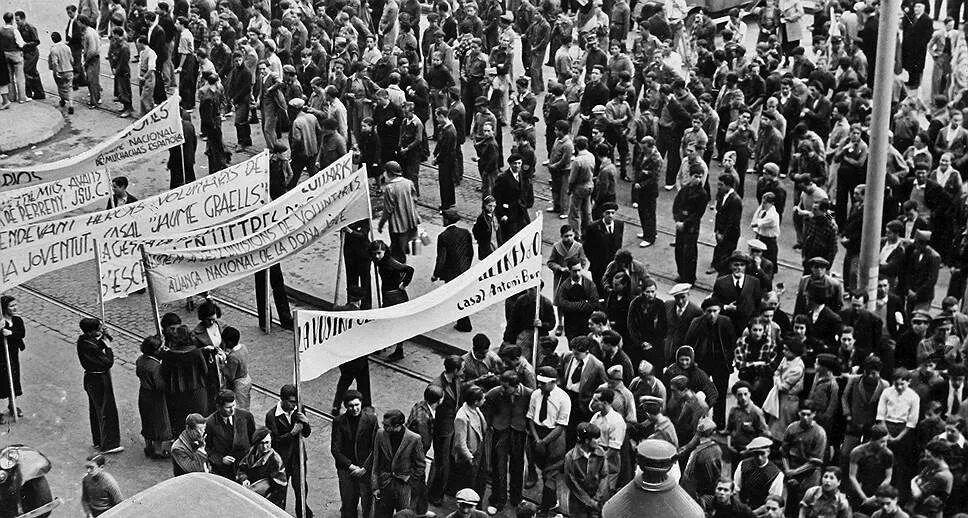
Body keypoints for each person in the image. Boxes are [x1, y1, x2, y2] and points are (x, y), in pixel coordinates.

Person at [527, 366, 571, 513]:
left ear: (554, 382)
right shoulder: (535, 394)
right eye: (539, 382)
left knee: (550, 473)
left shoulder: (564, 399)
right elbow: (531, 418)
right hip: (537, 434)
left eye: (543, 383)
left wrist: (544, 442)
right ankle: (552, 501)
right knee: (540, 467)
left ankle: (544, 508)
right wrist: (537, 439)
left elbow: (561, 426)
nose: (540, 386)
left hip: (554, 437)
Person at [77, 318, 123, 455]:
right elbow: (107, 362)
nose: (99, 331)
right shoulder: (88, 345)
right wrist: (108, 347)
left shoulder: (85, 340)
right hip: (98, 379)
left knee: (96, 410)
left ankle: (99, 439)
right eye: (97, 329)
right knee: (106, 411)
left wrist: (105, 337)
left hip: (93, 378)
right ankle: (109, 444)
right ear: (90, 331)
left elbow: (99, 345)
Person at [372, 409, 426, 518]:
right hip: (385, 483)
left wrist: (409, 478)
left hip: (404, 488)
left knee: (403, 515)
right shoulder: (380, 434)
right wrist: (375, 486)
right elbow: (376, 461)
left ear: (397, 426)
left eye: (387, 425)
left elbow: (421, 465)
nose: (384, 428)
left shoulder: (414, 439)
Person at [333, 390, 378, 518]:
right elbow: (335, 449)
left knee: (367, 505)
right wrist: (351, 466)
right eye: (351, 406)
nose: (354, 408)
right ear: (346, 406)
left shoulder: (371, 420)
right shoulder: (339, 421)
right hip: (347, 470)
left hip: (366, 470)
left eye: (357, 405)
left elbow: (375, 447)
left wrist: (364, 468)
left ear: (361, 404)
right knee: (348, 504)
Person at [370, 240, 414, 361]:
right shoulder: (380, 261)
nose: (376, 256)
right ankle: (382, 345)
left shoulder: (390, 262)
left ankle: (399, 351)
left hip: (397, 297)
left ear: (385, 251)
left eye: (379, 253)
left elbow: (409, 269)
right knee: (385, 321)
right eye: (374, 254)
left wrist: (404, 284)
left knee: (397, 324)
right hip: (388, 296)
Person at [433, 208, 474, 332]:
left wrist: (436, 274)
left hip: (451, 272)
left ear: (446, 220)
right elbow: (470, 253)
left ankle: (464, 323)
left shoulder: (443, 236)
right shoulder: (465, 233)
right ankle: (462, 322)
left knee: (456, 297)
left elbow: (441, 258)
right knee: (461, 295)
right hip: (464, 269)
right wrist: (466, 266)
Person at [205, 389, 256, 479]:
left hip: (245, 467)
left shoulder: (246, 416)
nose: (232, 409)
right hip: (225, 471)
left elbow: (254, 440)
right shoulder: (210, 423)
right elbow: (207, 448)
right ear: (218, 407)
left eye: (233, 405)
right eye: (228, 407)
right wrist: (220, 459)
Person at [136, 335, 171, 459]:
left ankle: (148, 446)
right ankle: (158, 451)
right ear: (155, 351)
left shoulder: (140, 360)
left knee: (147, 420)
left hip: (143, 393)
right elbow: (160, 385)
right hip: (155, 397)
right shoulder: (156, 367)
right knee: (158, 422)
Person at [379, 161, 421, 263]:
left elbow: (388, 210)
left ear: (389, 173)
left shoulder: (390, 188)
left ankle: (400, 269)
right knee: (401, 246)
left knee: (397, 250)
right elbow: (415, 200)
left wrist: (381, 224)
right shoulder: (408, 183)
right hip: (410, 221)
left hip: (397, 225)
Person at [564, 421, 609, 517]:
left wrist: (597, 498)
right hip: (578, 501)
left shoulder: (600, 453)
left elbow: (604, 475)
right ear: (586, 440)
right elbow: (572, 483)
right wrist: (590, 502)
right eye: (596, 439)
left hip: (598, 500)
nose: (599, 441)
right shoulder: (570, 457)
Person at [733, 437, 785, 512]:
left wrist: (752, 514)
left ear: (768, 452)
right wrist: (740, 509)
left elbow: (772, 502)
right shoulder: (743, 465)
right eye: (756, 454)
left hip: (762, 511)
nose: (759, 458)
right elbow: (736, 489)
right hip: (741, 507)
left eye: (762, 454)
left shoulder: (776, 474)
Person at [0, 295, 25, 423]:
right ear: (4, 308)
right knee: (1, 381)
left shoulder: (18, 320)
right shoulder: (0, 322)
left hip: (13, 355)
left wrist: (10, 333)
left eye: (15, 305)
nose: (15, 308)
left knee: (13, 379)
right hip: (0, 356)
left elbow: (22, 333)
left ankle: (12, 404)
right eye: (11, 306)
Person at [221, 327, 251, 410]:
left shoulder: (233, 357)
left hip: (239, 384)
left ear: (229, 342)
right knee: (245, 403)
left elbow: (230, 376)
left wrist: (223, 367)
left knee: (239, 407)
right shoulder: (243, 347)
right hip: (247, 379)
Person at [48, 31, 73, 113]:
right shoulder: (67, 47)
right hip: (69, 70)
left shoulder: (53, 49)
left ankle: (62, 100)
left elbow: (54, 63)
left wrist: (55, 72)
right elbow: (71, 60)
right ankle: (71, 104)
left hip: (60, 71)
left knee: (60, 86)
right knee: (69, 87)